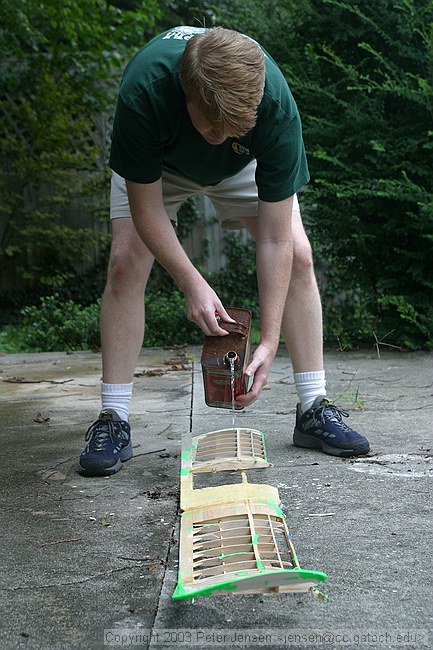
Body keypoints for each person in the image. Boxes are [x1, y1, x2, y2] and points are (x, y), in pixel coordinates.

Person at [79, 26, 370, 477]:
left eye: (231, 123)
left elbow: (276, 240)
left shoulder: (273, 105)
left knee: (300, 255)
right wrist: (190, 280)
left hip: (242, 163)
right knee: (125, 262)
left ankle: (314, 406)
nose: (216, 133)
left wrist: (270, 340)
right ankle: (112, 417)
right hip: (163, 164)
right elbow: (146, 209)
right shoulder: (147, 89)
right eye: (209, 123)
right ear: (186, 93)